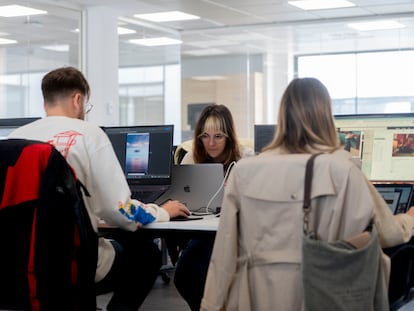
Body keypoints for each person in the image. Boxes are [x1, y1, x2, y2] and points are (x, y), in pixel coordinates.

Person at [200, 77, 414, 311]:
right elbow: (386, 234)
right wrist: (409, 219)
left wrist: (210, 306)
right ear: (326, 117)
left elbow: (223, 253)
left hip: (252, 297)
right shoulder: (342, 169)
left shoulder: (243, 171)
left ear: (282, 117)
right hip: (319, 293)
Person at [8, 66, 190, 311]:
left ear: (45, 103)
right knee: (146, 255)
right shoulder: (89, 134)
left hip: (16, 263)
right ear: (78, 99)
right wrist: (163, 211)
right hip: (71, 262)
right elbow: (121, 211)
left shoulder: (14, 140)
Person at [173, 104, 254, 311]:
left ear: (229, 136)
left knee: (196, 271)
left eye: (218, 136)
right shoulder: (191, 158)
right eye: (205, 136)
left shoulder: (245, 159)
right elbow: (181, 197)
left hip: (234, 232)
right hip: (199, 229)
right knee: (185, 276)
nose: (210, 143)